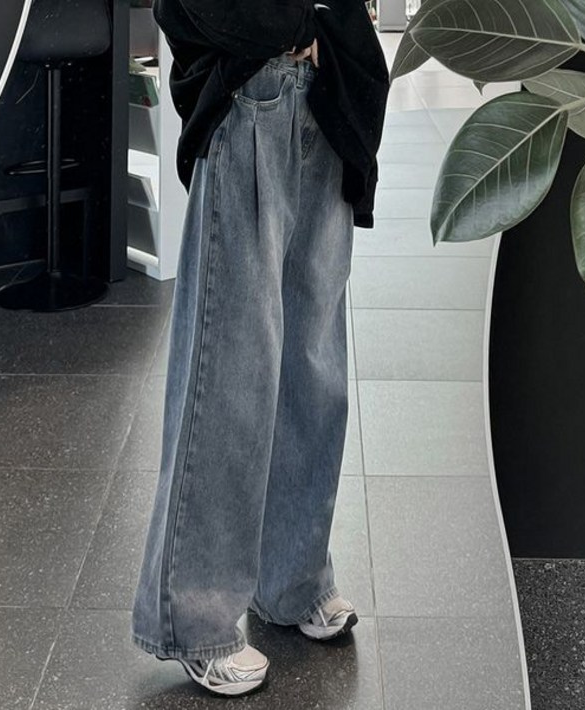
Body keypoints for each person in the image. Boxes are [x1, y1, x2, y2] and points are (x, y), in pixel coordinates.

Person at [131, 0, 389, 696]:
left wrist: (328, 32)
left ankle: (293, 580)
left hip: (327, 102)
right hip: (250, 100)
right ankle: (197, 620)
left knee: (314, 366)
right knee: (231, 369)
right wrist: (299, 26)